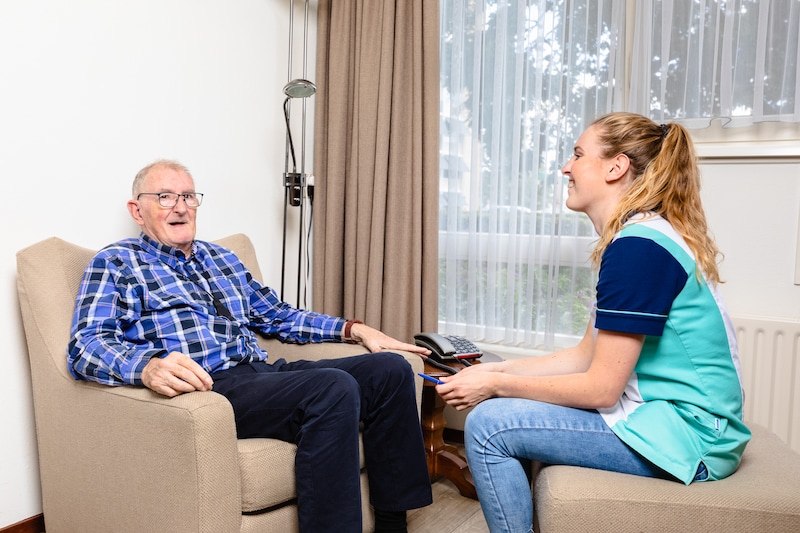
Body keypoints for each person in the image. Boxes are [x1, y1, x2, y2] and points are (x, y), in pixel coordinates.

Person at [67, 159, 433, 533]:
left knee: (389, 369)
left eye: (188, 196)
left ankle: (392, 525)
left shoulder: (221, 258)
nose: (180, 206)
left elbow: (278, 316)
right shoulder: (116, 262)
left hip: (261, 374)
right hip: (211, 387)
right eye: (164, 196)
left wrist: (356, 330)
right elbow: (85, 345)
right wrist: (145, 366)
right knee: (333, 388)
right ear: (137, 210)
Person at [435, 112, 751, 533]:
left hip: (693, 439)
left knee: (490, 426)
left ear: (615, 167)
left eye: (578, 154)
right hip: (680, 423)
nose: (567, 167)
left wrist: (495, 386)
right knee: (502, 403)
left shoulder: (638, 249)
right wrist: (496, 370)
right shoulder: (638, 238)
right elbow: (585, 354)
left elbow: (601, 389)